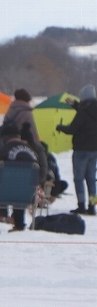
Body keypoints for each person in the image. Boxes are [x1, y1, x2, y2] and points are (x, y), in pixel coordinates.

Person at [0, 122, 40, 234]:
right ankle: (19, 225)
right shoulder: (33, 152)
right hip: (28, 195)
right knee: (21, 185)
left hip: (3, 194)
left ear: (4, 137)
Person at [56, 84, 97, 215]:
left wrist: (60, 127)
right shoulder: (90, 109)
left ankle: (81, 205)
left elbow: (72, 129)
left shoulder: (83, 112)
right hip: (94, 150)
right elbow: (85, 110)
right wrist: (74, 104)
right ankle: (92, 206)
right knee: (91, 179)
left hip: (81, 150)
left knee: (79, 178)